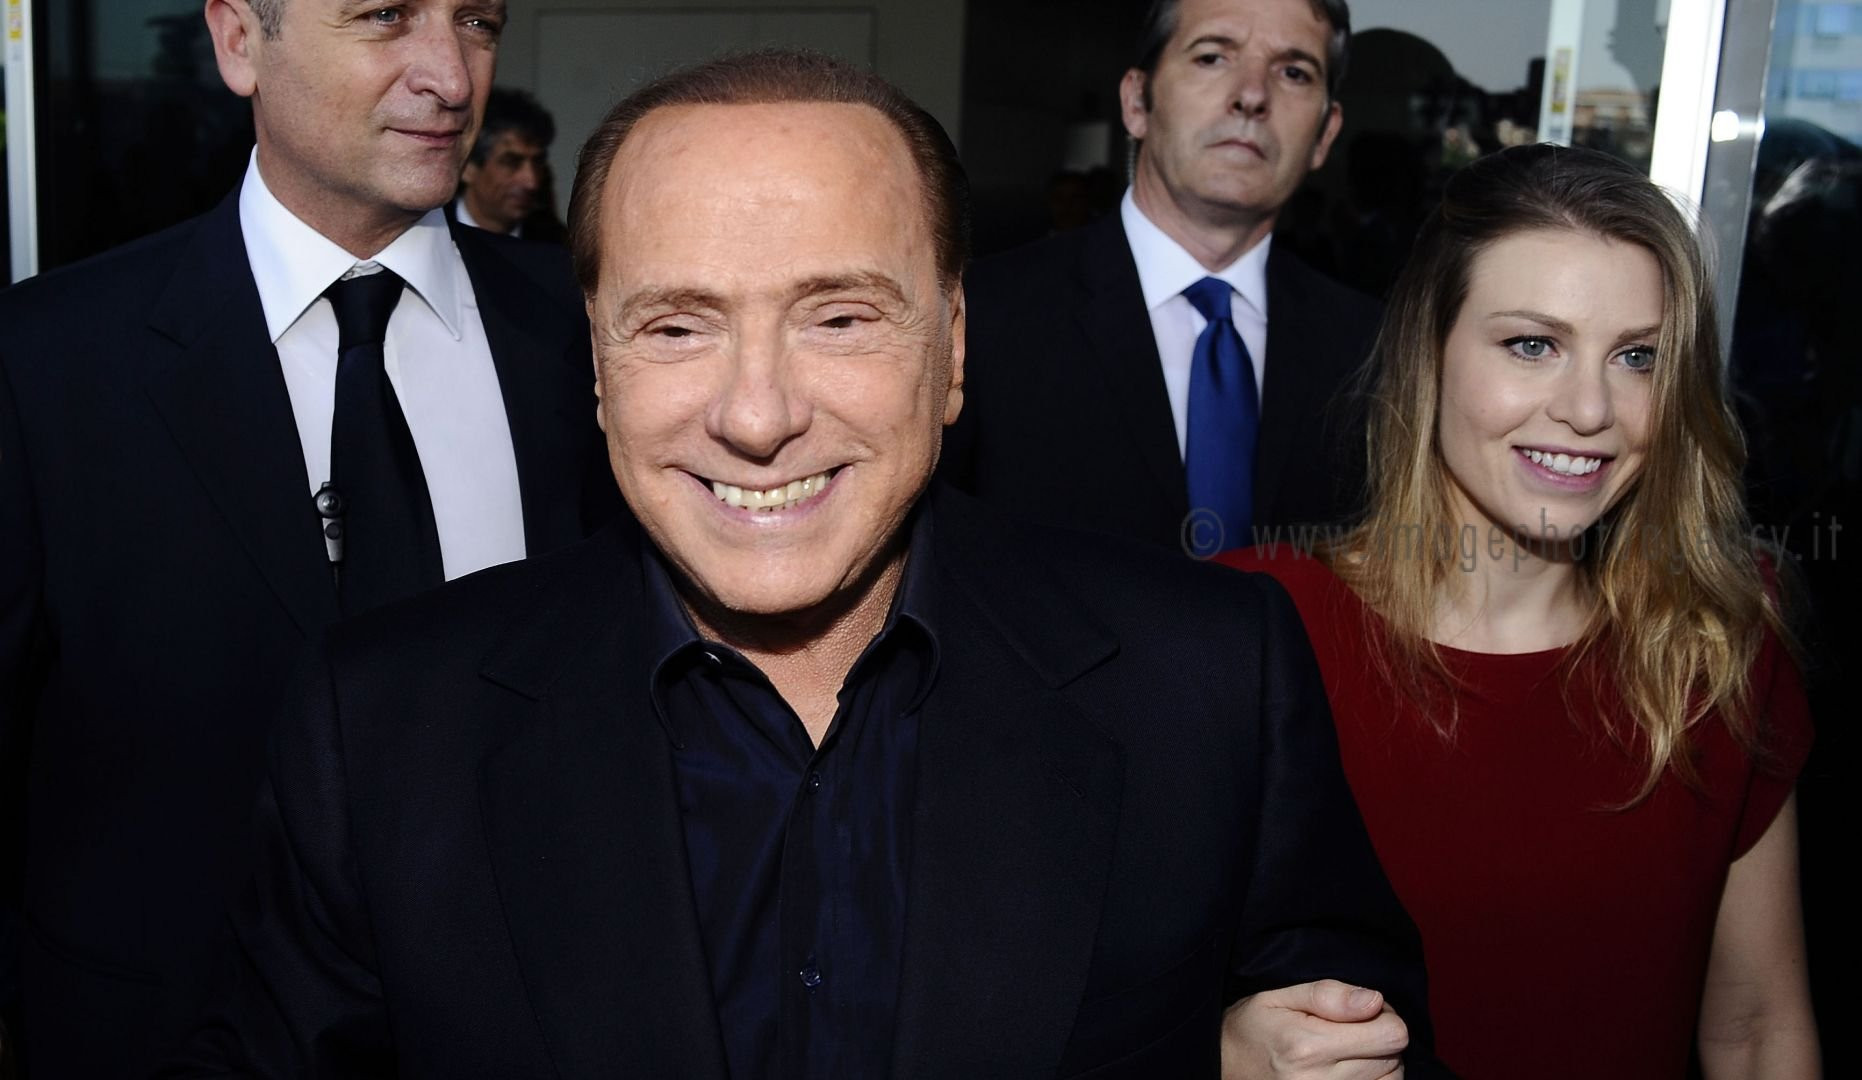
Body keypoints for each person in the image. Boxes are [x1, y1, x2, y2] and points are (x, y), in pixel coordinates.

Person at [166, 48, 1448, 1078]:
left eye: (838, 318)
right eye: (677, 327)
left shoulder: (1206, 679)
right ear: (597, 366)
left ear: (951, 346)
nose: (757, 413)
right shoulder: (386, 725)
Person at [0, 0, 616, 1072]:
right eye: (385, 16)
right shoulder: (48, 362)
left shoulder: (590, 335)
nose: (452, 77)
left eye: (477, 20)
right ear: (240, 40)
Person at [1223, 144, 1820, 1077]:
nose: (1589, 409)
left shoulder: (1714, 647)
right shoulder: (1248, 628)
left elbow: (1755, 1030)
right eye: (1532, 345)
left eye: (1637, 358)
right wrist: (1220, 1051)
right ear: (1429, 353)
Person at [942, 0, 1380, 556]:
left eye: (1293, 72)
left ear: (1325, 134)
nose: (1252, 95)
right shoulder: (984, 318)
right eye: (1212, 57)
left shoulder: (1369, 349)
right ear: (1136, 102)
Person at [454, 86, 560, 239]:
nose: (532, 182)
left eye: (537, 162)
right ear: (467, 167)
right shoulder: (430, 230)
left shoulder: (558, 245)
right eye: (511, 163)